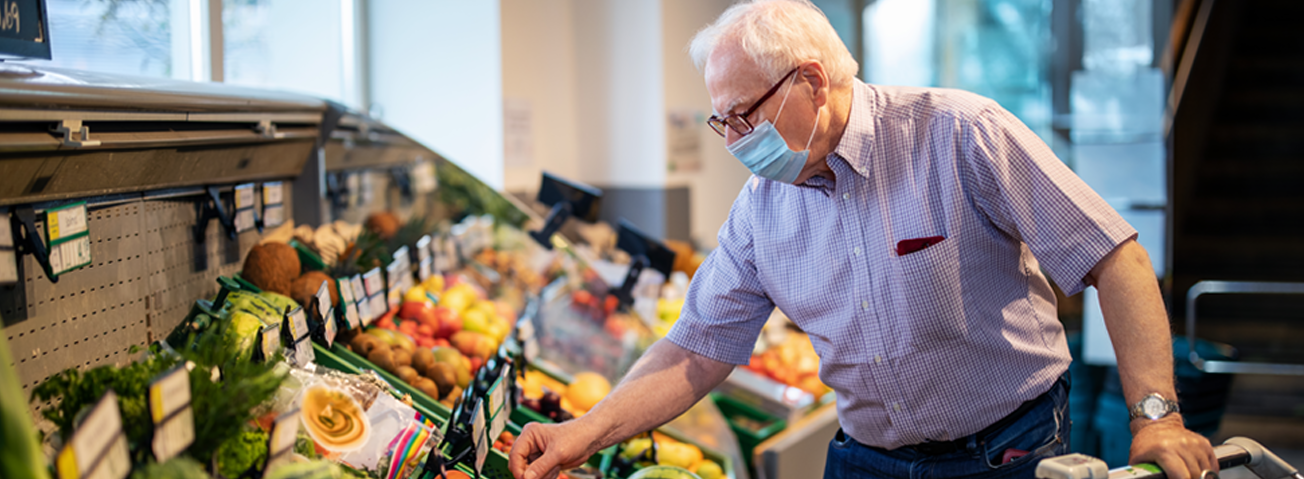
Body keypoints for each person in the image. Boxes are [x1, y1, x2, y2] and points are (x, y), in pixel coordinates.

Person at [509, 1, 1218, 478]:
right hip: (866, 459)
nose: (734, 143)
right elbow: (696, 346)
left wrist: (1156, 416)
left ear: (811, 82)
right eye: (720, 124)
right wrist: (584, 431)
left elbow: (1112, 256)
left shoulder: (961, 134)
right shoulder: (762, 208)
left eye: (743, 117)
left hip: (1004, 450)